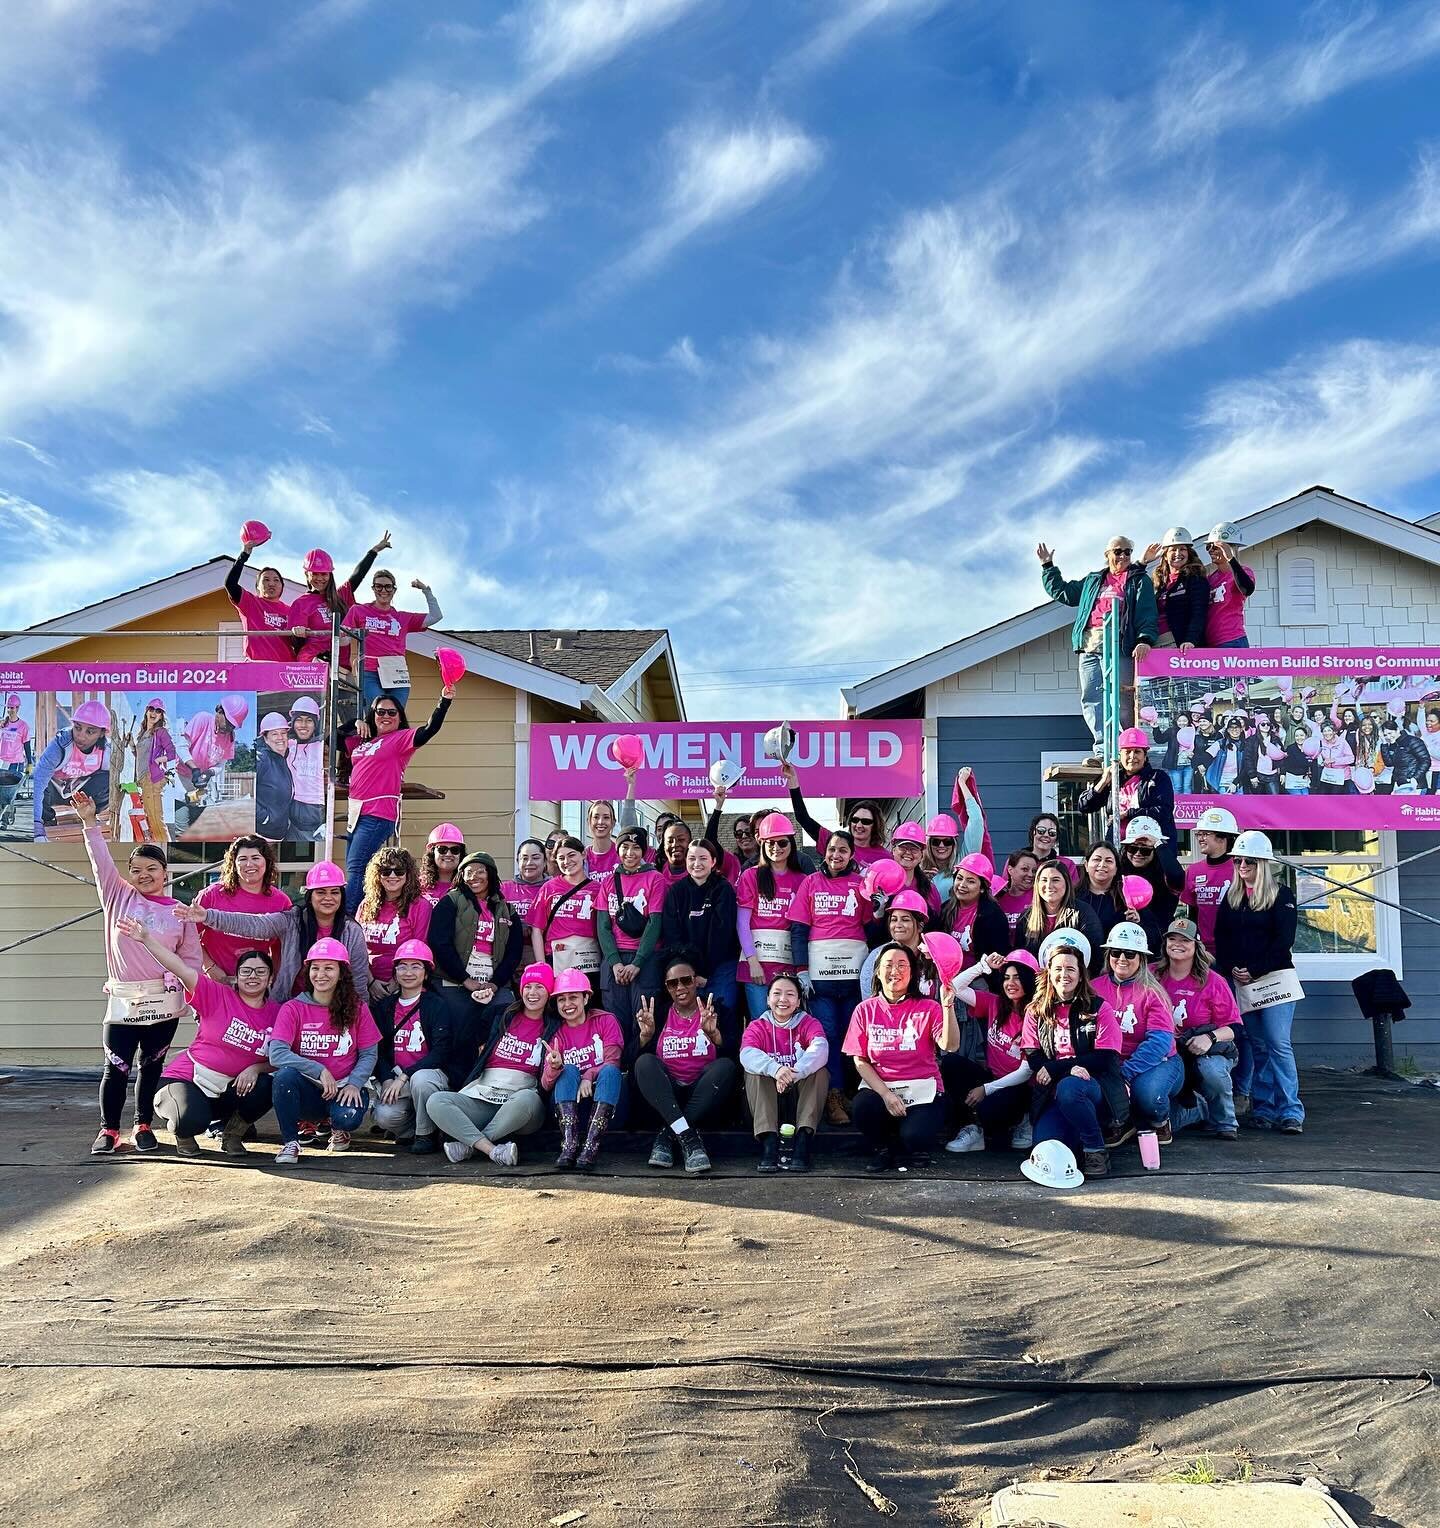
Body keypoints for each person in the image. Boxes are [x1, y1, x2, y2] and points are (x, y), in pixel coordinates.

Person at [73, 789, 203, 1155]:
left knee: (151, 1065)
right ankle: (109, 1130)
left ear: (165, 873)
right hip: (124, 1003)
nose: (144, 876)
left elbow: (191, 960)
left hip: (163, 1005)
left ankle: (143, 1125)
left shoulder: (179, 910)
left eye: (152, 869)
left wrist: (190, 995)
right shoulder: (118, 896)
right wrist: (89, 823)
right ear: (129, 875)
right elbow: (100, 861)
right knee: (115, 1068)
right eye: (137, 871)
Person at [124, 922, 278, 1159]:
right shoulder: (216, 995)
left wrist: (256, 1068)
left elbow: (283, 1058)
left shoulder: (278, 1014)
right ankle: (184, 1133)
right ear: (236, 977)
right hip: (186, 1079)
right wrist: (146, 939)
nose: (253, 976)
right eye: (246, 971)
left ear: (270, 979)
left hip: (230, 1088)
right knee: (190, 1120)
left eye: (260, 971)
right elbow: (180, 968)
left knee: (269, 1085)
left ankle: (233, 1135)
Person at [1038, 534, 1158, 762]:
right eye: (1117, 551)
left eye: (1127, 552)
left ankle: (1129, 751)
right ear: (1107, 555)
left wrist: (1145, 639)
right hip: (1090, 646)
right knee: (1092, 697)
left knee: (1122, 699)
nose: (1122, 555)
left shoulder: (1138, 580)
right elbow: (1064, 592)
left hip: (1120, 645)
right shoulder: (1093, 580)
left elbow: (1147, 613)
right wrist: (1048, 566)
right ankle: (1104, 752)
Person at [1214, 830, 1303, 1134]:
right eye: (1237, 860)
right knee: (1258, 1046)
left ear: (1263, 863)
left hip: (1275, 980)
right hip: (1244, 982)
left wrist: (1254, 969)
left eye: (1248, 861)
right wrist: (1233, 969)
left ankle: (1291, 1109)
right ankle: (1264, 1108)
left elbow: (1284, 941)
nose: (1241, 865)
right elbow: (1221, 938)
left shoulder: (1282, 895)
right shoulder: (1232, 896)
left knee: (1279, 1043)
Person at [426, 964, 558, 1166]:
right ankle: (492, 1150)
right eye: (528, 986)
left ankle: (469, 1145)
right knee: (436, 1101)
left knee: (526, 1099)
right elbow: (464, 1040)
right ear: (520, 989)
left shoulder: (555, 1025)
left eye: (540, 987)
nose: (532, 993)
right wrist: (476, 1006)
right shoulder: (501, 1015)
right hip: (484, 1093)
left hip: (522, 1102)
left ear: (549, 992)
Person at [845, 943, 961, 1172]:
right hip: (882, 1088)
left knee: (914, 1136)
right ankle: (883, 1149)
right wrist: (886, 1094)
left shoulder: (929, 1007)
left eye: (902, 965)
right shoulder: (864, 1010)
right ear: (878, 971)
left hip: (923, 1090)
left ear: (913, 972)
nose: (895, 971)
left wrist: (947, 1006)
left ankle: (908, 1146)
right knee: (862, 1106)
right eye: (888, 965)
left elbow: (951, 1045)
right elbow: (860, 1060)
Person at [185, 858, 371, 1000]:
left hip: (337, 1009)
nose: (328, 898)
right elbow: (254, 925)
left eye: (335, 892)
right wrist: (208, 916)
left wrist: (358, 1023)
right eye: (321, 892)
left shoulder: (351, 931)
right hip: (291, 1005)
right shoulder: (292, 921)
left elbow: (359, 982)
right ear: (309, 896)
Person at [267, 937, 381, 1165]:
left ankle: (338, 1127)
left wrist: (354, 1084)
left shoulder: (358, 1007)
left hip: (344, 1086)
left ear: (341, 973)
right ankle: (290, 1142)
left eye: (329, 968)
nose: (321, 975)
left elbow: (369, 1053)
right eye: (315, 968)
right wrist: (319, 1070)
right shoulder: (293, 1008)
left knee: (347, 1118)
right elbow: (277, 1053)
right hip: (309, 1088)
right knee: (284, 1077)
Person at [1021, 932, 1125, 1178]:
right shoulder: (1036, 1010)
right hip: (1052, 1092)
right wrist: (1064, 1069)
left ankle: (1096, 1149)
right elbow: (1032, 1053)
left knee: (1070, 1088)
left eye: (1070, 968)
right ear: (1048, 973)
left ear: (1081, 974)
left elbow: (1106, 1057)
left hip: (1091, 1086)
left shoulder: (1100, 1008)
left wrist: (1060, 1069)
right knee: (1045, 1147)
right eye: (1058, 968)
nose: (1064, 975)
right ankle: (1078, 1137)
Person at [343, 684, 453, 913]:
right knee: (359, 870)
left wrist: (444, 700)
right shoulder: (364, 741)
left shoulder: (400, 739)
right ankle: (365, 915)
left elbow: (430, 729)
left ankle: (348, 921)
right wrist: (354, 723)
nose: (385, 716)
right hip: (356, 815)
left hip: (377, 814)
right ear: (372, 715)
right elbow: (331, 737)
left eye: (392, 712)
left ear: (399, 717)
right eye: (380, 711)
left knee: (356, 868)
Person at [789, 829, 873, 1126]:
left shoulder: (861, 885)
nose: (837, 855)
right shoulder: (810, 883)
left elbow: (871, 928)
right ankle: (833, 1096)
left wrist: (880, 906)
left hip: (853, 980)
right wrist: (801, 970)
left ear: (852, 855)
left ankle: (858, 1094)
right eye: (832, 849)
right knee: (827, 1036)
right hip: (820, 982)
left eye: (843, 851)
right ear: (824, 852)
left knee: (856, 1039)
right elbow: (798, 930)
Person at [632, 958, 736, 1174]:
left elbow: (736, 1055)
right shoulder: (657, 1015)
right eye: (673, 983)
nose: (680, 987)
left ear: (696, 981)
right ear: (667, 988)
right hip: (667, 1098)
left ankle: (667, 1135)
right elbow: (631, 1062)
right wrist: (645, 1037)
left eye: (686, 980)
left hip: (704, 1097)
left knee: (725, 1067)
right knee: (644, 1063)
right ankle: (689, 1138)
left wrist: (715, 1035)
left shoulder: (717, 1011)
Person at [1091, 923, 1181, 1145]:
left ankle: (1173, 1117)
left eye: (1130, 953)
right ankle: (1127, 1122)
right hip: (1111, 1062)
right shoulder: (1093, 988)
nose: (1122, 958)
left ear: (1141, 958)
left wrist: (1126, 1074)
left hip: (1156, 1062)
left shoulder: (1153, 992)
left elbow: (1160, 1042)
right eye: (1115, 952)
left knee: (1148, 1097)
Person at [1154, 916, 1242, 1141]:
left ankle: (1224, 1121)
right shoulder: (1152, 974)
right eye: (1172, 938)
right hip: (1166, 1053)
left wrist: (1210, 1037)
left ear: (1196, 946)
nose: (1177, 944)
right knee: (1162, 1123)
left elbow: (1233, 1027)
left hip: (1204, 1051)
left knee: (1211, 1070)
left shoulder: (1213, 981)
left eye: (1185, 940)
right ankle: (1199, 1107)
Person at [943, 950, 1039, 1153]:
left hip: (1021, 1086)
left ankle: (1023, 1120)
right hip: (993, 1077)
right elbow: (954, 987)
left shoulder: (1036, 1014)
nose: (1010, 983)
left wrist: (986, 1089)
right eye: (1006, 977)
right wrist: (983, 965)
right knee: (951, 1064)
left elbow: (1026, 1071)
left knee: (990, 1110)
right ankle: (972, 1129)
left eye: (1017, 978)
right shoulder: (995, 1003)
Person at [369, 939, 455, 1151]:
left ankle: (425, 1135)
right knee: (384, 1116)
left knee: (421, 1079)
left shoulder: (437, 1005)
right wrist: (387, 1078)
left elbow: (441, 1051)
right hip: (398, 1078)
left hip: (427, 1077)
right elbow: (377, 1050)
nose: (408, 972)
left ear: (426, 974)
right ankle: (413, 1129)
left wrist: (405, 1075)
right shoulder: (385, 1007)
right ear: (395, 972)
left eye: (416, 966)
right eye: (402, 966)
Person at [740, 973, 829, 1173]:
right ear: (767, 999)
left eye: (790, 994)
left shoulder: (809, 1023)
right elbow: (747, 1055)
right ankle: (769, 1142)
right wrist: (776, 1070)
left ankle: (803, 1140)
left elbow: (820, 1049)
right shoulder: (757, 1026)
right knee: (753, 1072)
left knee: (820, 1072)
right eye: (777, 993)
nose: (783, 999)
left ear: (798, 1001)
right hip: (767, 1101)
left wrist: (793, 1074)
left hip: (798, 1098)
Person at [541, 969, 626, 1172]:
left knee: (610, 1072)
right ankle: (569, 1144)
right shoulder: (556, 1033)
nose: (567, 1004)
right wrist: (554, 1067)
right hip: (571, 1110)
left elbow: (613, 1061)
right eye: (561, 999)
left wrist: (588, 1076)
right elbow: (545, 1084)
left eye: (573, 997)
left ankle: (590, 1146)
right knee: (567, 1070)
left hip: (607, 1105)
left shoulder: (606, 1020)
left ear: (586, 998)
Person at [660, 838, 741, 1038]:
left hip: (721, 965)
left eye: (703, 858)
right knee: (691, 1017)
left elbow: (721, 934)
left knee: (722, 1012)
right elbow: (672, 934)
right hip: (688, 969)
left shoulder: (723, 889)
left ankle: (727, 1063)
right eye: (692, 858)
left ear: (713, 861)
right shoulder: (676, 892)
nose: (697, 863)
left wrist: (705, 972)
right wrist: (692, 971)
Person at [596, 824, 667, 1043]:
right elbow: (603, 926)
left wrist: (637, 963)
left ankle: (638, 1069)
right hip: (614, 961)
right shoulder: (608, 881)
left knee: (643, 1021)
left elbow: (654, 923)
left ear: (644, 851)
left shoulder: (655, 879)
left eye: (636, 847)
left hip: (644, 961)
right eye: (625, 846)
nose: (630, 853)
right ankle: (618, 1070)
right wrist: (615, 962)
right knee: (615, 1021)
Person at [736, 812, 807, 1020]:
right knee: (761, 1024)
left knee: (788, 1026)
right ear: (762, 844)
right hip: (757, 966)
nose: (776, 848)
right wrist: (753, 962)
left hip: (788, 965)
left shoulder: (803, 880)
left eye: (782, 842)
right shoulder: (750, 876)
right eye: (770, 843)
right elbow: (742, 923)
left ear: (791, 844)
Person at [195, 834, 291, 981]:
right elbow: (188, 937)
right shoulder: (211, 895)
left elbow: (279, 949)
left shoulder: (281, 902)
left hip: (257, 984)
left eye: (255, 858)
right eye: (242, 859)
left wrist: (276, 983)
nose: (249, 864)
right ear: (233, 864)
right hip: (215, 981)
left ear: (267, 861)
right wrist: (209, 967)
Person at [344, 567, 441, 710]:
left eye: (388, 587)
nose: (383, 590)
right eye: (379, 586)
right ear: (373, 588)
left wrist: (426, 590)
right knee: (377, 712)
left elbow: (435, 616)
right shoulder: (358, 610)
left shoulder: (403, 618)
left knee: (396, 715)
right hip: (370, 671)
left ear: (394, 590)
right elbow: (343, 637)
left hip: (397, 672)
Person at [290, 534, 389, 666]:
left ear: (330, 575)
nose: (319, 578)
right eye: (314, 573)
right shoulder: (300, 603)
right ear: (307, 575)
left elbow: (357, 576)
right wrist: (298, 633)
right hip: (312, 662)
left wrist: (374, 551)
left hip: (340, 664)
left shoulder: (339, 596)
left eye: (324, 573)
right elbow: (295, 642)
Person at [355, 846, 432, 999]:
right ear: (377, 875)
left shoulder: (420, 906)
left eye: (399, 871)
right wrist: (371, 983)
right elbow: (357, 949)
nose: (392, 875)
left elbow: (419, 949)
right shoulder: (366, 905)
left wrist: (395, 983)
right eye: (385, 871)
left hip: (404, 986)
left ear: (408, 875)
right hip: (366, 984)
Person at [782, 761, 890, 867]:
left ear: (875, 825)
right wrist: (793, 781)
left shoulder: (885, 858)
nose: (859, 825)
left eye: (866, 821)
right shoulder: (835, 843)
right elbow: (803, 818)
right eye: (855, 820)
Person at [528, 835, 602, 984]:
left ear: (583, 854)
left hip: (589, 962)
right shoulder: (549, 888)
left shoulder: (598, 889)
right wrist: (543, 965)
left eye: (571, 855)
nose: (567, 862)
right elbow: (537, 929)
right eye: (561, 858)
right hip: (556, 960)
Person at [35, 700, 111, 838]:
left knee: (110, 780)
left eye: (90, 731)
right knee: (39, 783)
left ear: (101, 733)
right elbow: (38, 781)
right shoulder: (61, 745)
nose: (81, 736)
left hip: (79, 794)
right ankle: (47, 819)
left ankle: (89, 813)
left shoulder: (106, 751)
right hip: (53, 792)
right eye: (77, 727)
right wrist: (37, 825)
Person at [1021, 861, 1104, 972]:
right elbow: (1021, 957)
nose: (1049, 886)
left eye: (1055, 880)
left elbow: (1095, 955)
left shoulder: (1083, 913)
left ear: (1066, 883)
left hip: (1074, 983)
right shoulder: (1026, 917)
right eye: (1044, 880)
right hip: (1037, 985)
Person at [226, 533, 294, 660]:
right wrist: (244, 555)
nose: (271, 583)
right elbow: (230, 584)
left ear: (282, 586)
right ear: (257, 587)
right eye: (266, 580)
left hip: (285, 669)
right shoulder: (250, 602)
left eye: (276, 580)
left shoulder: (291, 611)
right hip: (257, 667)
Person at [939, 852, 1009, 972]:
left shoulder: (994, 916)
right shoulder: (945, 909)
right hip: (946, 975)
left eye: (970, 881)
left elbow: (998, 958)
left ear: (982, 888)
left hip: (979, 978)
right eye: (959, 878)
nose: (962, 885)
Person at [1140, 527, 1208, 650]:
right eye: (1173, 550)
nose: (1178, 553)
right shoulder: (1158, 582)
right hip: (1153, 642)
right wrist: (1142, 563)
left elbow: (1199, 612)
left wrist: (1191, 640)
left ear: (1188, 553)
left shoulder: (1195, 579)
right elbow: (1130, 585)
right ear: (1165, 555)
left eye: (1182, 549)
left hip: (1179, 643)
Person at [858, 890, 934, 997]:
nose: (898, 925)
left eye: (905, 920)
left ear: (920, 926)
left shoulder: (934, 955)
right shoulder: (877, 957)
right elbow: (869, 1001)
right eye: (894, 919)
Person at [1183, 806, 1237, 952]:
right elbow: (1192, 913)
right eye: (1198, 834)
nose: (1200, 838)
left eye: (1205, 834)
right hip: (1203, 951)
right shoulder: (1193, 871)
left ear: (1223, 837)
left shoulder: (1241, 869)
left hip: (1235, 949)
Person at [1203, 523, 1255, 649]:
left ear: (1230, 548)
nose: (1210, 550)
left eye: (1215, 546)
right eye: (1208, 547)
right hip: (1211, 643)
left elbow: (1247, 588)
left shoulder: (1244, 572)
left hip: (1232, 640)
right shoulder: (1210, 579)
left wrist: (1230, 558)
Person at [131, 699, 175, 845]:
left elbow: (172, 753)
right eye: (151, 709)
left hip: (152, 778)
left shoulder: (160, 732)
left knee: (156, 821)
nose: (154, 713)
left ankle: (166, 852)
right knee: (151, 819)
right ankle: (159, 848)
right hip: (144, 780)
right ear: (146, 711)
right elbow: (140, 756)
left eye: (158, 711)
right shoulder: (143, 733)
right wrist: (132, 744)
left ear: (161, 716)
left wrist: (158, 760)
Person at [284, 696, 326, 842]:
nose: (303, 725)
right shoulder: (288, 745)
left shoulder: (323, 745)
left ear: (315, 724)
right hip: (293, 818)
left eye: (308, 720)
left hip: (317, 817)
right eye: (299, 720)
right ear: (292, 722)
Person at [1073, 842, 1126, 943]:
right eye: (1097, 859)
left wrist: (1134, 922)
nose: (1102, 865)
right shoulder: (1072, 896)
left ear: (1116, 869)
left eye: (1109, 861)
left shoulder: (1126, 898)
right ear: (1086, 865)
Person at [255, 711, 294, 840]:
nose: (280, 737)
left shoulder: (282, 759)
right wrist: (265, 817)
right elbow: (247, 795)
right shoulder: (263, 759)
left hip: (280, 833)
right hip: (264, 835)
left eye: (283, 733)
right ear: (266, 739)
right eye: (274, 734)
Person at [888, 822, 941, 916]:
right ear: (893, 850)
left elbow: (937, 925)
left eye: (914, 849)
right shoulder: (882, 883)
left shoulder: (929, 889)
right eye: (903, 847)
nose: (908, 852)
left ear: (921, 855)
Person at [0, 692, 33, 830]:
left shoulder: (23, 726)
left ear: (18, 708)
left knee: (9, 794)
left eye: (13, 708)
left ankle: (4, 820)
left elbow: (27, 746)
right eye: (8, 707)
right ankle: (6, 813)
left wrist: (30, 763)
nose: (10, 710)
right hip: (2, 762)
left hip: (15, 763)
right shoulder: (2, 724)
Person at [504, 839, 551, 922]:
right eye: (524, 858)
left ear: (545, 862)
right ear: (518, 861)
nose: (529, 863)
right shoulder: (503, 889)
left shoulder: (553, 889)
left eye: (535, 858)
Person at [1379, 717, 1430, 794]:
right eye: (1385, 735)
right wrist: (1384, 743)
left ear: (1397, 730)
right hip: (1399, 784)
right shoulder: (1394, 744)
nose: (1388, 737)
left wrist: (1414, 779)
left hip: (1415, 786)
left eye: (1390, 733)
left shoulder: (1413, 741)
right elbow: (1389, 763)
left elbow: (1425, 761)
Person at [419, 823, 465, 907]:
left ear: (461, 854)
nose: (448, 854)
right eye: (442, 849)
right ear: (432, 853)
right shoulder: (417, 885)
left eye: (455, 850)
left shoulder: (468, 885)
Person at [995, 849, 1038, 938]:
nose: (1031, 874)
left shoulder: (1039, 898)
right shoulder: (997, 898)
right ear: (1010, 870)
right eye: (1025, 869)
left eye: (1034, 871)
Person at [1313, 721, 1356, 795]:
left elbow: (1351, 758)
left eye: (1329, 730)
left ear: (1334, 732)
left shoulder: (1342, 742)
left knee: (1335, 798)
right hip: (1328, 775)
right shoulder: (1321, 743)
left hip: (1341, 776)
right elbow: (1315, 755)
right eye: (1324, 731)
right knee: (1322, 796)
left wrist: (1334, 760)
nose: (1327, 733)